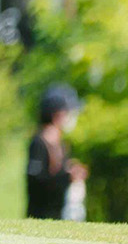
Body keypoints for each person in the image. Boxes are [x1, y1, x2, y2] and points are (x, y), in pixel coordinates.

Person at [27, 83, 88, 221]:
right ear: (56, 114)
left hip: (58, 215)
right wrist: (67, 176)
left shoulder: (61, 143)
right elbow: (36, 180)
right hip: (40, 216)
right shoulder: (39, 143)